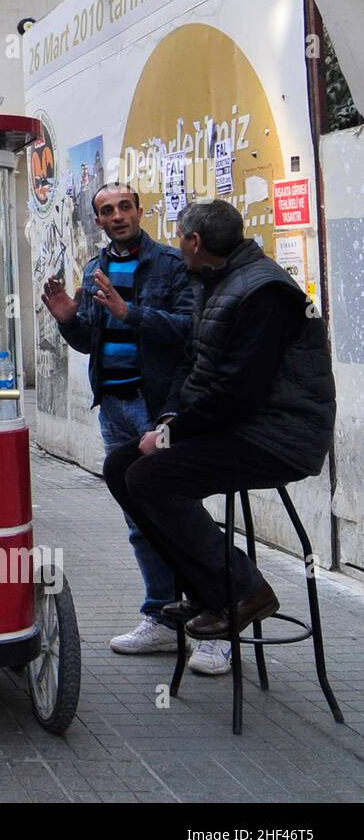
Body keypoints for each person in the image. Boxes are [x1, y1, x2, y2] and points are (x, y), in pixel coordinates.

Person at [104, 200, 335, 644]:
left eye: (181, 238)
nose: (179, 247)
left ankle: (244, 591)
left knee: (152, 477)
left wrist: (172, 434)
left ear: (195, 242)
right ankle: (210, 591)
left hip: (278, 437)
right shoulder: (216, 282)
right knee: (120, 467)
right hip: (239, 425)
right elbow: (191, 364)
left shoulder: (264, 291)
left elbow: (240, 393)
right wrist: (169, 418)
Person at [40, 185, 211, 667]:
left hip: (158, 407)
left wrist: (129, 312)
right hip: (114, 407)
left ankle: (216, 619)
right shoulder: (97, 268)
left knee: (183, 513)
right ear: (98, 221)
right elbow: (89, 339)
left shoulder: (171, 265)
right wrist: (70, 321)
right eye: (107, 211)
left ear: (139, 212)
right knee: (139, 521)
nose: (117, 216)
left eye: (124, 208)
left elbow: (189, 332)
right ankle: (159, 616)